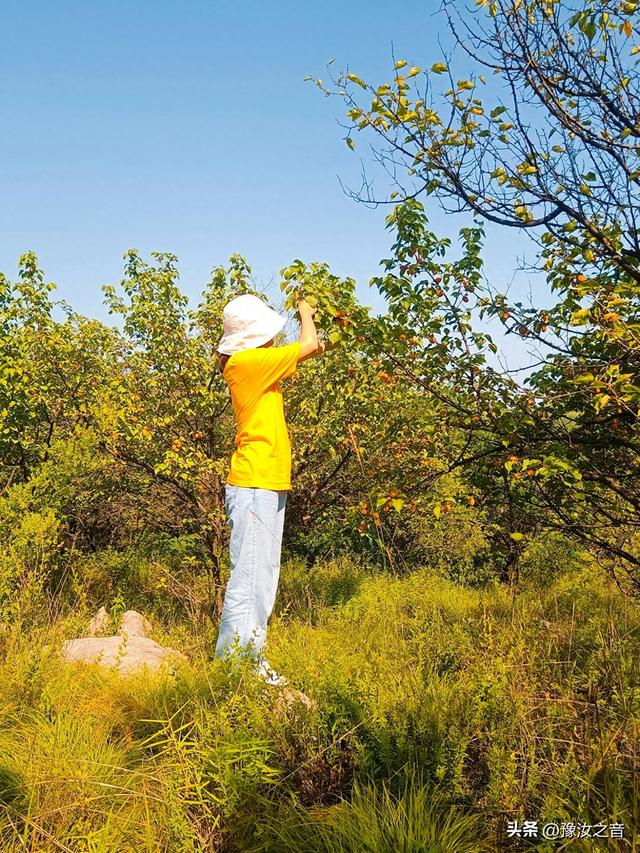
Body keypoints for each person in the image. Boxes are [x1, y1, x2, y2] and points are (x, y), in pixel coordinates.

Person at [214, 292, 330, 685]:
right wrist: (304, 313)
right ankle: (234, 671)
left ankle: (250, 661)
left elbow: (312, 347)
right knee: (249, 578)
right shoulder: (247, 363)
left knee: (262, 577)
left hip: (267, 483)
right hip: (255, 483)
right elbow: (310, 345)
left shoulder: (255, 364)